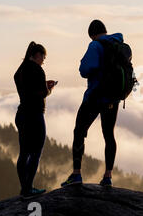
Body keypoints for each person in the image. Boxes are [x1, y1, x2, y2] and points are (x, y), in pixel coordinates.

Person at [61, 20, 124, 187]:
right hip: (113, 99)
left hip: (95, 96)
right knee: (109, 135)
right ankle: (108, 177)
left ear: (91, 34)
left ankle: (76, 175)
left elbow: (86, 70)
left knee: (79, 131)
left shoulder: (95, 45)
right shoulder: (117, 43)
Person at [14, 41, 56, 198]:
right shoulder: (38, 70)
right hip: (35, 115)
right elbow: (41, 93)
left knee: (23, 153)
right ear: (36, 55)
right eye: (43, 56)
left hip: (22, 113)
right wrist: (48, 88)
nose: (44, 60)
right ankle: (28, 189)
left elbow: (26, 87)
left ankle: (24, 188)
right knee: (36, 152)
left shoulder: (20, 70)